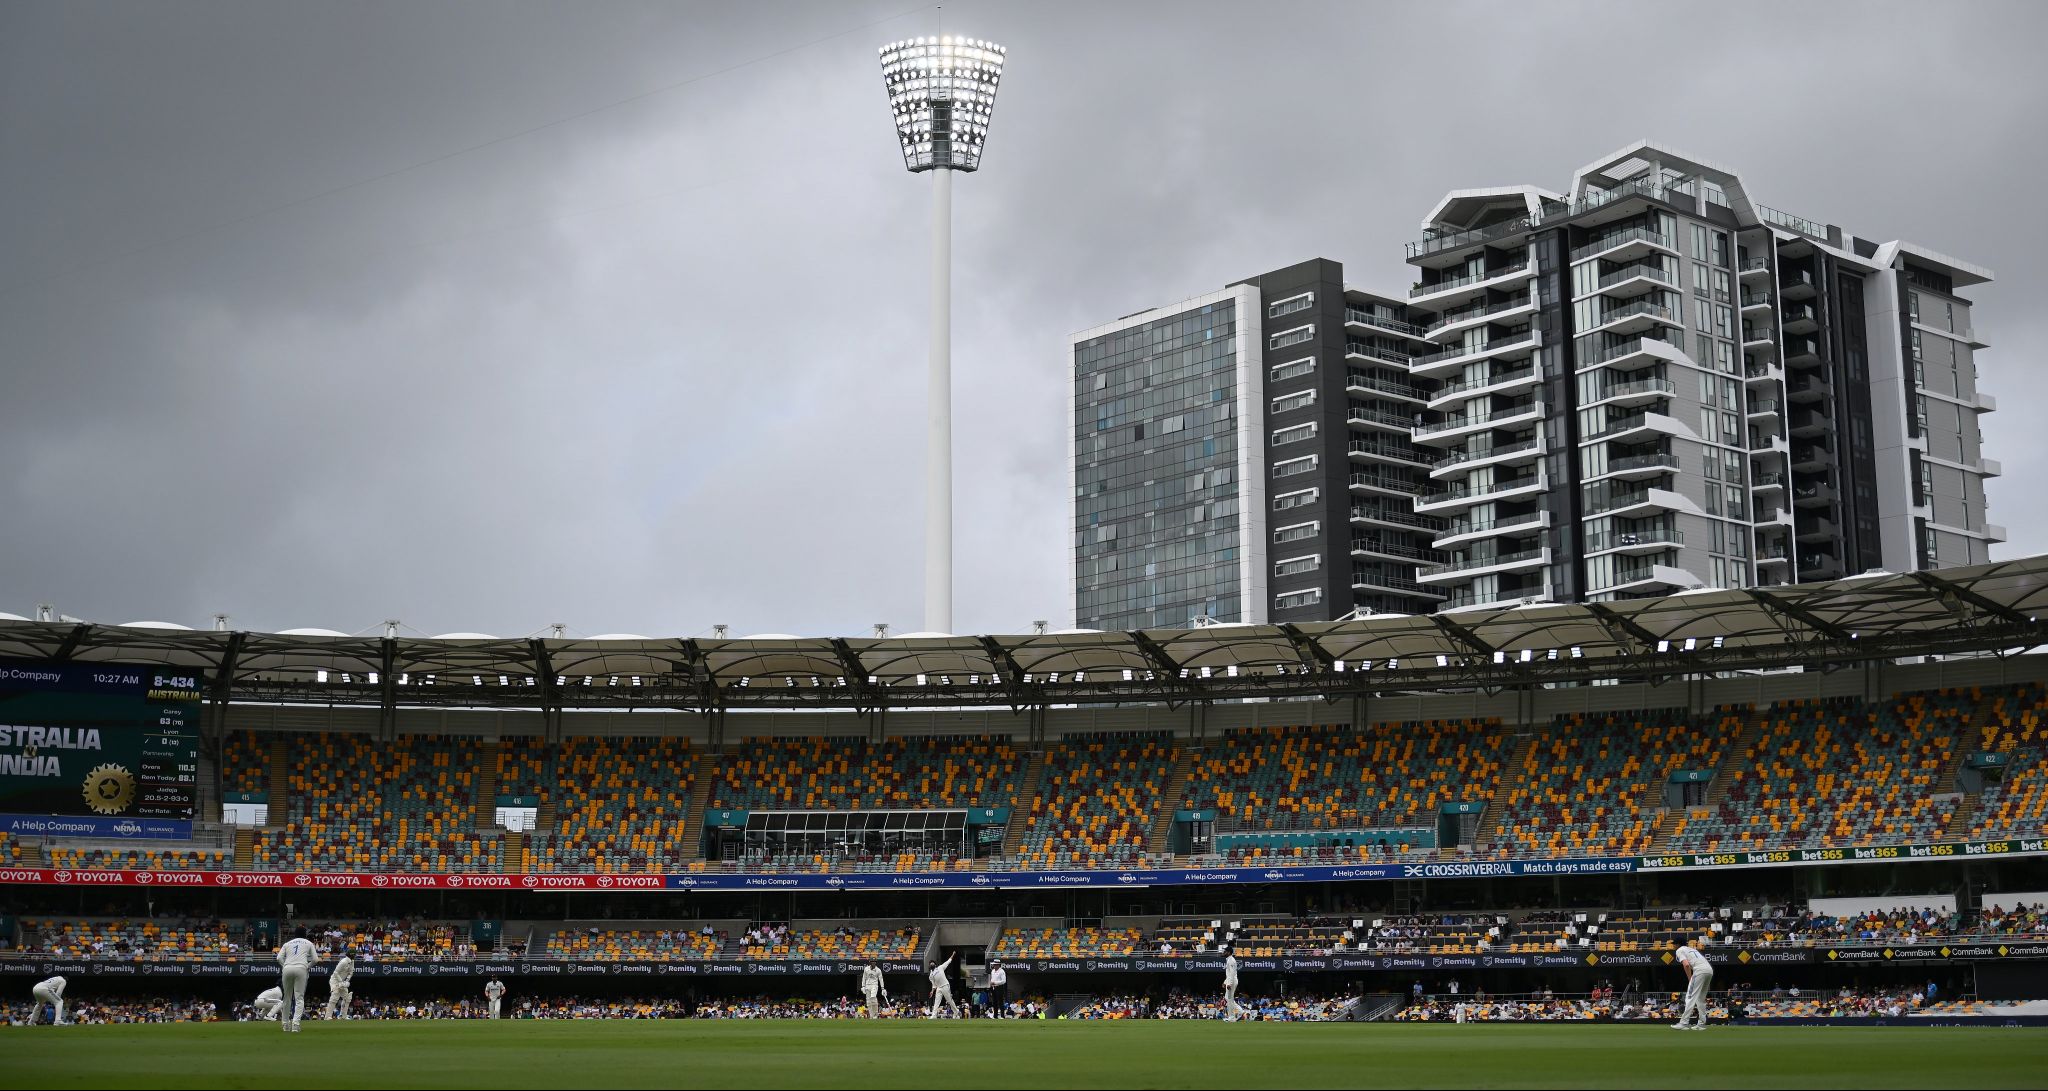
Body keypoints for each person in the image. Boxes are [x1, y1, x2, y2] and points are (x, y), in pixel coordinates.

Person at [277, 926, 320, 1033]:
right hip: (301, 968)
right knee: (299, 998)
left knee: (286, 998)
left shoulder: (287, 944)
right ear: (304, 934)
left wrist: (285, 966)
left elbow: (278, 958)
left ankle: (285, 1025)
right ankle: (295, 1025)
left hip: (287, 968)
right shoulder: (308, 943)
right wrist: (307, 967)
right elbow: (315, 959)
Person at [1673, 936, 1713, 1030]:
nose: (1673, 945)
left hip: (1699, 971)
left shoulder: (1679, 950)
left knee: (1690, 997)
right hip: (1709, 970)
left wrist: (1690, 978)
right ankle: (1701, 1024)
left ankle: (1684, 1023)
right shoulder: (1692, 949)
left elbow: (1686, 965)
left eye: (1674, 944)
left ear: (1678, 944)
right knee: (1700, 999)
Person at [927, 954, 960, 1019]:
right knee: (936, 1001)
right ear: (929, 966)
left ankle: (956, 1012)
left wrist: (953, 954)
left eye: (932, 963)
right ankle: (934, 1015)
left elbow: (948, 961)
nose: (931, 964)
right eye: (930, 964)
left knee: (949, 1000)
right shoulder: (930, 975)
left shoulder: (940, 967)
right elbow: (934, 984)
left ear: (935, 965)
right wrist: (932, 991)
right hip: (939, 988)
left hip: (945, 986)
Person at [324, 950, 354, 1020]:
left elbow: (351, 972)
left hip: (342, 981)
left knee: (347, 998)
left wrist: (346, 981)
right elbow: (335, 973)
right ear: (352, 955)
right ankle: (327, 1016)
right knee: (335, 996)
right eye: (354, 955)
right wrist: (341, 982)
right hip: (334, 981)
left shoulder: (352, 961)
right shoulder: (343, 962)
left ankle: (343, 1016)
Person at [1222, 949, 1247, 1021]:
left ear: (1229, 952)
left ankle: (1232, 1017)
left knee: (1229, 999)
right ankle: (1241, 1012)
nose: (1224, 952)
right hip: (1230, 981)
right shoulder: (1228, 960)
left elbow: (1232, 973)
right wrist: (1225, 982)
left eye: (1225, 951)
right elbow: (1229, 974)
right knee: (1228, 998)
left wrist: (1229, 983)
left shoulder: (1232, 960)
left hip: (1232, 982)